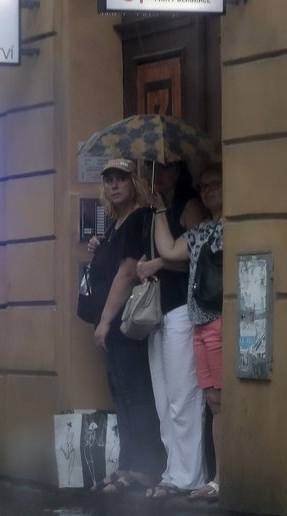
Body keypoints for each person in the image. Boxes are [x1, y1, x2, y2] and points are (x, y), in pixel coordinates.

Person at [87, 158, 165, 493]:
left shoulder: (139, 218)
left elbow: (128, 272)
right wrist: (98, 246)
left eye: (121, 179)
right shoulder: (117, 224)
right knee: (121, 392)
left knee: (136, 393)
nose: (114, 185)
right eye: (109, 180)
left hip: (128, 322)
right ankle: (129, 464)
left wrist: (105, 321)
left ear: (134, 182)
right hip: (115, 322)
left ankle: (146, 467)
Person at [136, 161, 210, 499]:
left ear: (180, 170)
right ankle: (172, 470)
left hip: (182, 307)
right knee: (164, 398)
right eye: (152, 167)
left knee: (184, 395)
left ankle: (189, 474)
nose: (158, 173)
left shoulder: (189, 205)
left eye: (165, 167)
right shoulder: (154, 208)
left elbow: (198, 254)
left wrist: (161, 263)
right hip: (159, 309)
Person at [152, 164, 224, 500]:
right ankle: (209, 477)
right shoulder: (205, 229)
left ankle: (211, 476)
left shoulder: (228, 226)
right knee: (210, 398)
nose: (208, 191)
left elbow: (168, 259)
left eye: (215, 185)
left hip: (217, 317)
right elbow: (168, 249)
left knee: (209, 399)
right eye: (205, 185)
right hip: (200, 319)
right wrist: (158, 208)